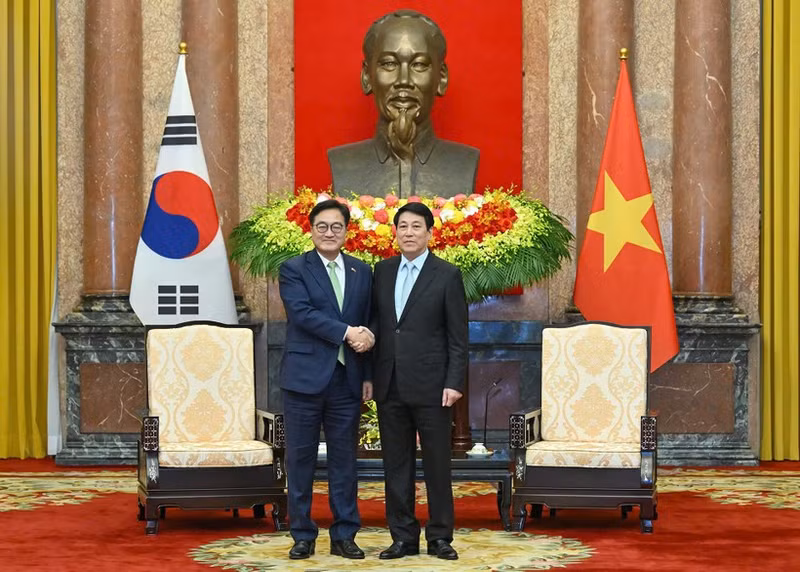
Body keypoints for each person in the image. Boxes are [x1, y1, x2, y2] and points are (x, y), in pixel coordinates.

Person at [368, 201, 469, 560]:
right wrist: (370, 377)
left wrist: (454, 381)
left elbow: (458, 336)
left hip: (433, 386)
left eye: (416, 227)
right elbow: (378, 327)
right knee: (396, 464)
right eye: (403, 227)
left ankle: (440, 537)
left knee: (438, 465)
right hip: (390, 382)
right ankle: (403, 537)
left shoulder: (447, 274)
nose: (409, 233)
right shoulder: (381, 271)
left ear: (429, 232)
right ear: (394, 232)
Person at [278, 199, 375, 560]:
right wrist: (349, 332)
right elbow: (302, 315)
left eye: (336, 227)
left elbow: (368, 319)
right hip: (304, 380)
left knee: (344, 461)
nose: (329, 233)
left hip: (346, 380)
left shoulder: (361, 271)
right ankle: (302, 534)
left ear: (347, 231)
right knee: (300, 460)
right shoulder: (293, 268)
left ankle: (344, 535)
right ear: (312, 229)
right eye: (322, 226)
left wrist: (366, 368)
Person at [328, 9, 479, 198]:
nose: (404, 80)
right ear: (367, 77)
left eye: (419, 65)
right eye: (389, 64)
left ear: (441, 78)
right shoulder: (343, 162)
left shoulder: (464, 162)